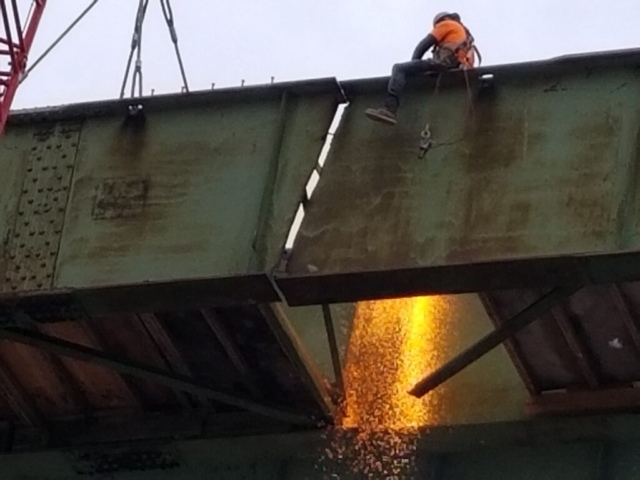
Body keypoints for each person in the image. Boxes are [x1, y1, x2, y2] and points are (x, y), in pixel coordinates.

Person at [365, 12, 478, 126]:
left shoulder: (447, 24)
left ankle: (390, 109)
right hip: (456, 67)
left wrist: (413, 65)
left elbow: (423, 45)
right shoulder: (463, 34)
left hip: (443, 64)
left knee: (399, 68)